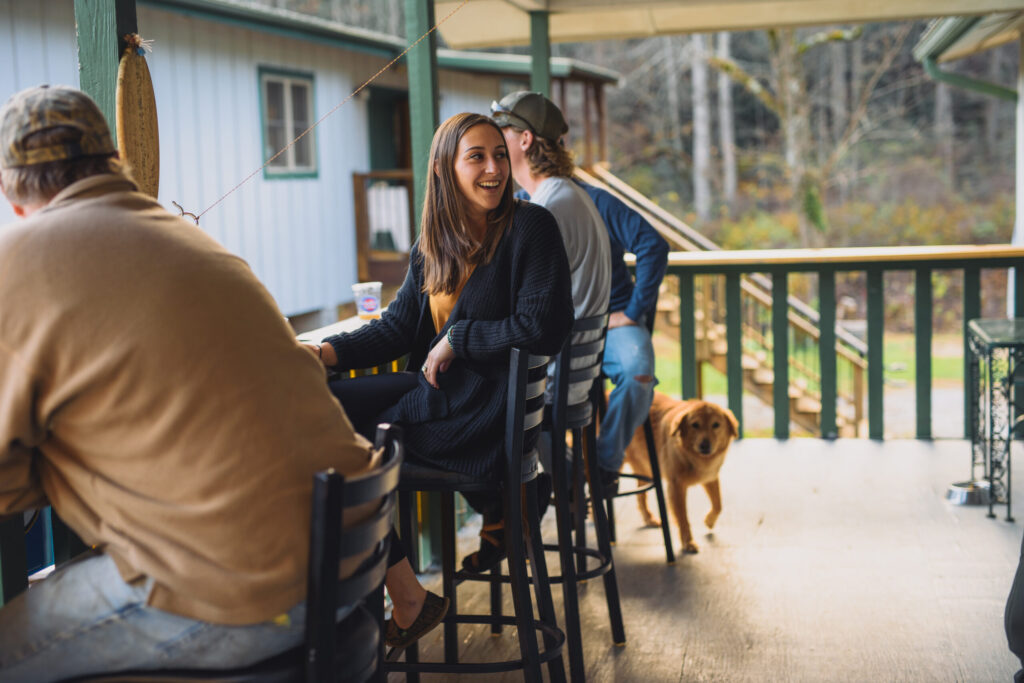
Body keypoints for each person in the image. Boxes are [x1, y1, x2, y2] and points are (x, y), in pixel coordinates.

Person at [0, 85, 409, 679]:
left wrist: (53, 469)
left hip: (238, 596)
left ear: (12, 192)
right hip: (347, 570)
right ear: (114, 162)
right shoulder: (194, 242)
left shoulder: (21, 261)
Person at [307, 112, 573, 576]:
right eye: (476, 158)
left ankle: (398, 591)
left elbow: (544, 328)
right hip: (440, 394)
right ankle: (423, 573)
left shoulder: (531, 227)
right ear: (443, 168)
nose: (494, 168)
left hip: (485, 414)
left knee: (333, 444)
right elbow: (396, 329)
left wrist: (457, 338)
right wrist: (324, 353)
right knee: (314, 409)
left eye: (499, 156)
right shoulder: (434, 243)